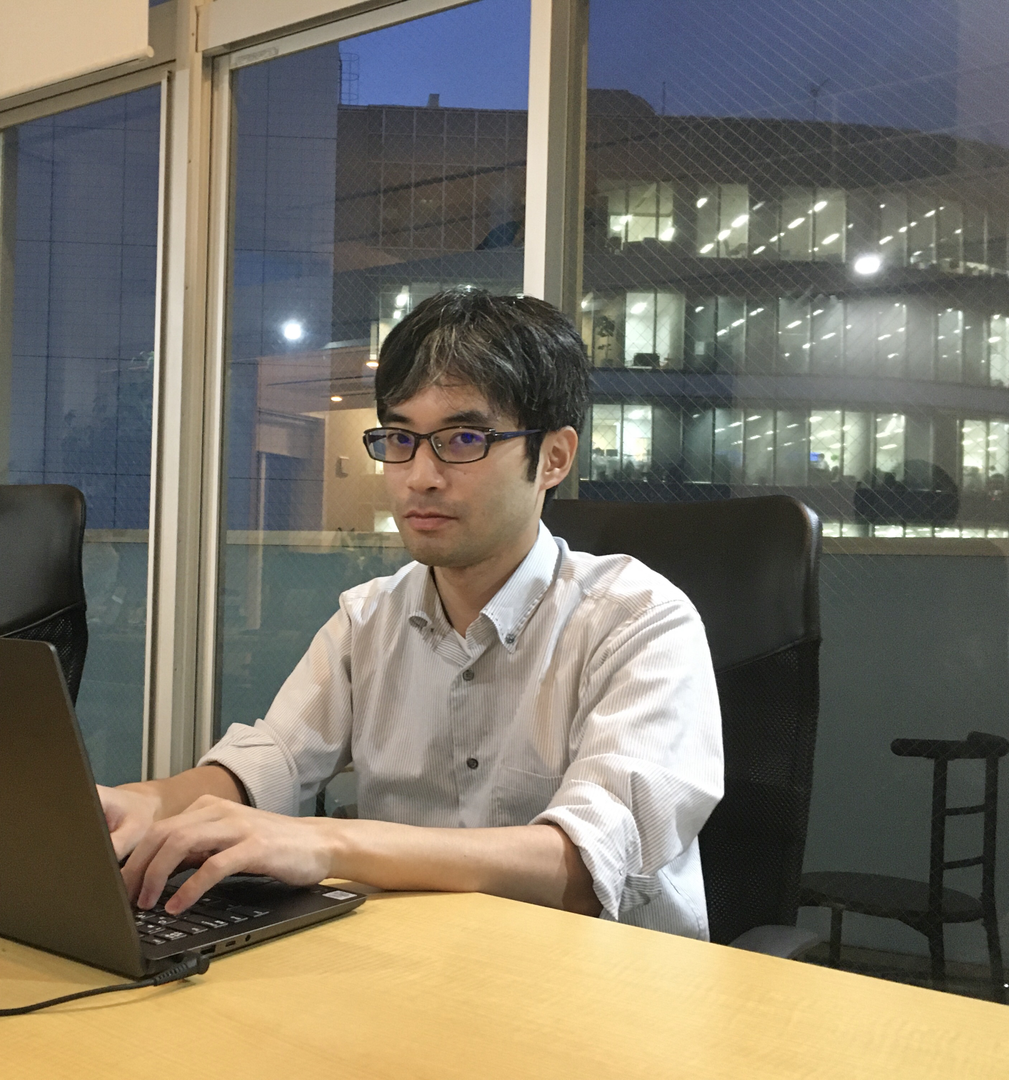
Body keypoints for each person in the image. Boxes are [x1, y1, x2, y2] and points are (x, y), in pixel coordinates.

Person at [99, 289, 724, 939]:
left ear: (554, 458)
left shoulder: (639, 622)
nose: (420, 476)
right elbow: (275, 760)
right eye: (401, 439)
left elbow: (584, 863)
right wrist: (148, 802)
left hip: (601, 981)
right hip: (412, 967)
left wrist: (329, 844)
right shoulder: (368, 619)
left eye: (464, 438)